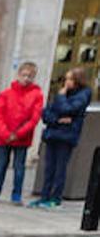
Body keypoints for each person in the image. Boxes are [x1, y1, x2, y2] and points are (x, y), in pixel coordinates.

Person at [32, 68, 91, 209]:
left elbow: (68, 110)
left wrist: (61, 99)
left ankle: (55, 198)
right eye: (66, 79)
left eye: (70, 79)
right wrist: (58, 120)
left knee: (60, 168)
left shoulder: (83, 94)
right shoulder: (62, 93)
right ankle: (44, 196)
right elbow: (46, 113)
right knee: (49, 167)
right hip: (53, 134)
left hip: (66, 136)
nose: (66, 82)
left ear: (77, 81)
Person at [0, 61, 43, 205]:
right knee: (1, 166)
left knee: (19, 167)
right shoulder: (6, 94)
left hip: (22, 138)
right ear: (18, 75)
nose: (26, 78)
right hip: (4, 137)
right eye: (24, 75)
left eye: (29, 76)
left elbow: (34, 118)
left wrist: (18, 134)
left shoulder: (36, 95)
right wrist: (5, 133)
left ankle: (16, 195)